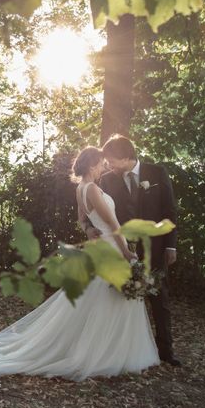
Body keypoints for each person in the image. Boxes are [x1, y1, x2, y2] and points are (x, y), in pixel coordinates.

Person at [0, 146, 160, 381]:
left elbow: (82, 220)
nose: (105, 165)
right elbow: (114, 225)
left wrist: (91, 229)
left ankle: (105, 350)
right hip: (111, 250)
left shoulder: (81, 188)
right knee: (108, 299)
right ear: (92, 165)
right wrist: (127, 253)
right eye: (102, 162)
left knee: (101, 300)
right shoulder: (91, 188)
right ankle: (105, 354)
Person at [83, 134, 180, 366]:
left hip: (155, 246)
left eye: (112, 160)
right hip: (122, 249)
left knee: (160, 297)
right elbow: (90, 209)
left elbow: (170, 209)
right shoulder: (106, 180)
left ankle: (166, 351)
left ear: (126, 156)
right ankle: (120, 350)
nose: (108, 164)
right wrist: (87, 229)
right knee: (120, 299)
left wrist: (170, 244)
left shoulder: (157, 173)